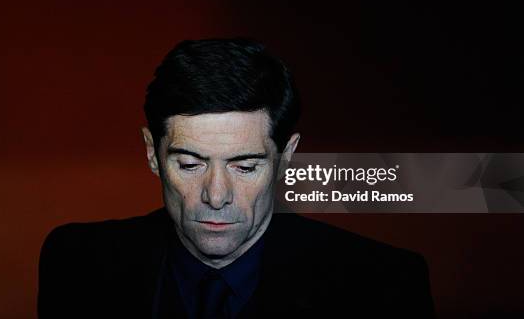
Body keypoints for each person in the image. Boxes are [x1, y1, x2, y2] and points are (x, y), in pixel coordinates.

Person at [37, 38, 435, 318]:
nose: (215, 195)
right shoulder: (78, 265)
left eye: (244, 167)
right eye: (190, 164)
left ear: (286, 158)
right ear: (151, 153)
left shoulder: (383, 286)